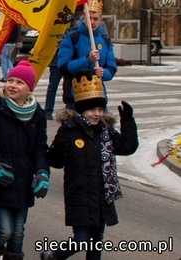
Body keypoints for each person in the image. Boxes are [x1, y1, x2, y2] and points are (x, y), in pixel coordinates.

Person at [40, 73, 138, 260]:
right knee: (81, 240)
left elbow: (127, 147)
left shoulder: (105, 130)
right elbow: (55, 161)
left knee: (96, 241)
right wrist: (60, 142)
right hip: (80, 194)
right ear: (81, 110)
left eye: (100, 109)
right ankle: (53, 256)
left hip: (102, 195)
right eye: (92, 109)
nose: (97, 114)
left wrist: (128, 122)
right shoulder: (69, 130)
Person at [0, 61, 49, 260]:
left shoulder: (37, 115)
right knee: (4, 231)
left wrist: (43, 172)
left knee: (18, 234)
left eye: (19, 82)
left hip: (24, 182)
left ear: (29, 88)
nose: (12, 85)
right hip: (0, 179)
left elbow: (40, 148)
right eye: (10, 80)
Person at [57, 0, 117, 110]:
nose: (92, 22)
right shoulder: (72, 38)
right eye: (89, 18)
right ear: (83, 18)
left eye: (95, 19)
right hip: (75, 95)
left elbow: (112, 66)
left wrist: (104, 73)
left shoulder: (105, 41)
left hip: (98, 94)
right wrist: (87, 60)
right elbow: (63, 66)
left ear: (101, 20)